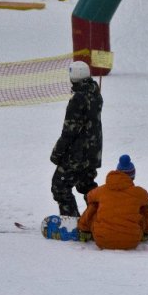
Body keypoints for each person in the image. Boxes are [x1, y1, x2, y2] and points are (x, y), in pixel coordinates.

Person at [50, 61, 103, 217]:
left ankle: (71, 220)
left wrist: (57, 153)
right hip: (93, 152)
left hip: (78, 154)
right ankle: (102, 217)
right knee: (87, 186)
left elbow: (69, 131)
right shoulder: (95, 93)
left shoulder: (78, 99)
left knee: (59, 186)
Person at [77, 154, 148, 250]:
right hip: (131, 240)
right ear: (132, 176)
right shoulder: (138, 192)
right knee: (143, 206)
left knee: (94, 204)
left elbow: (89, 197)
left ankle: (84, 230)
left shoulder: (102, 190)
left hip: (102, 239)